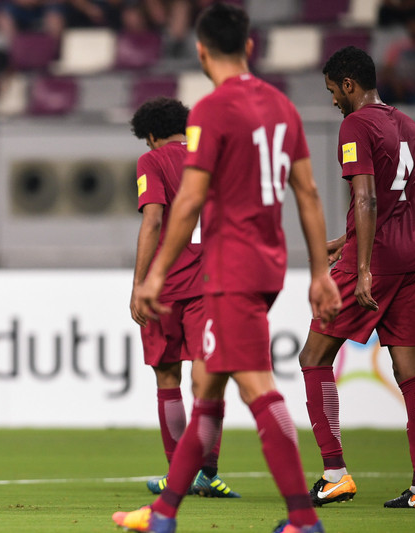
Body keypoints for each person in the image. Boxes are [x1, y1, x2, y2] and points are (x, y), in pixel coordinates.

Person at [112, 4, 341, 533]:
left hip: (231, 269)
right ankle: (164, 513)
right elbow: (306, 192)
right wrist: (319, 272)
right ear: (251, 48)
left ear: (200, 51)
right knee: (208, 388)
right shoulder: (284, 108)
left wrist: (153, 276)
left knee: (259, 389)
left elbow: (189, 200)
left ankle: (304, 522)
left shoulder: (211, 111)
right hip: (269, 264)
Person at [299, 46, 415, 510]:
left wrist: (359, 268)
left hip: (375, 259)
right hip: (412, 255)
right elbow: (397, 198)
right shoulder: (408, 125)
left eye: (333, 91)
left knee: (313, 356)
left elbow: (367, 198)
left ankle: (335, 473)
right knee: (410, 371)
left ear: (349, 84)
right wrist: (345, 239)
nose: (333, 101)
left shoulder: (355, 125)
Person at [129, 96, 239, 500]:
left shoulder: (153, 161)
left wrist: (140, 283)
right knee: (209, 379)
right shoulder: (214, 156)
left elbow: (154, 219)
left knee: (168, 374)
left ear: (153, 135)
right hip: (214, 282)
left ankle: (179, 472)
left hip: (167, 286)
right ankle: (207, 473)